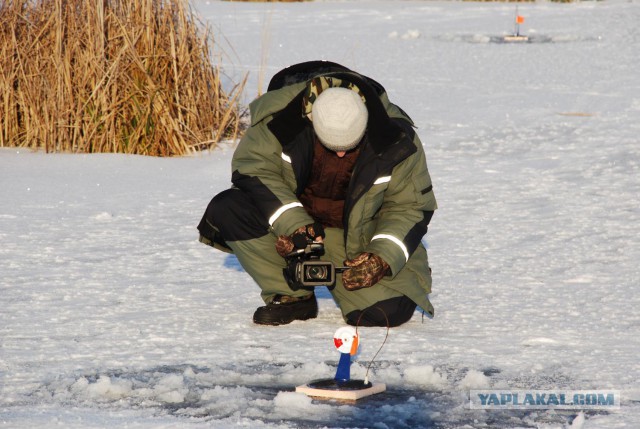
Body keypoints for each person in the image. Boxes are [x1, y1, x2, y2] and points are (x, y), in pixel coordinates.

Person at [198, 61, 437, 327]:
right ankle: (292, 296)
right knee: (230, 207)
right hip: (294, 233)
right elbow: (254, 171)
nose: (342, 154)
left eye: (351, 145)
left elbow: (410, 207)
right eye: (332, 145)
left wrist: (381, 257)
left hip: (358, 242)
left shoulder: (397, 138)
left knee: (384, 313)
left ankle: (364, 276)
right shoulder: (278, 122)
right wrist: (296, 226)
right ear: (312, 120)